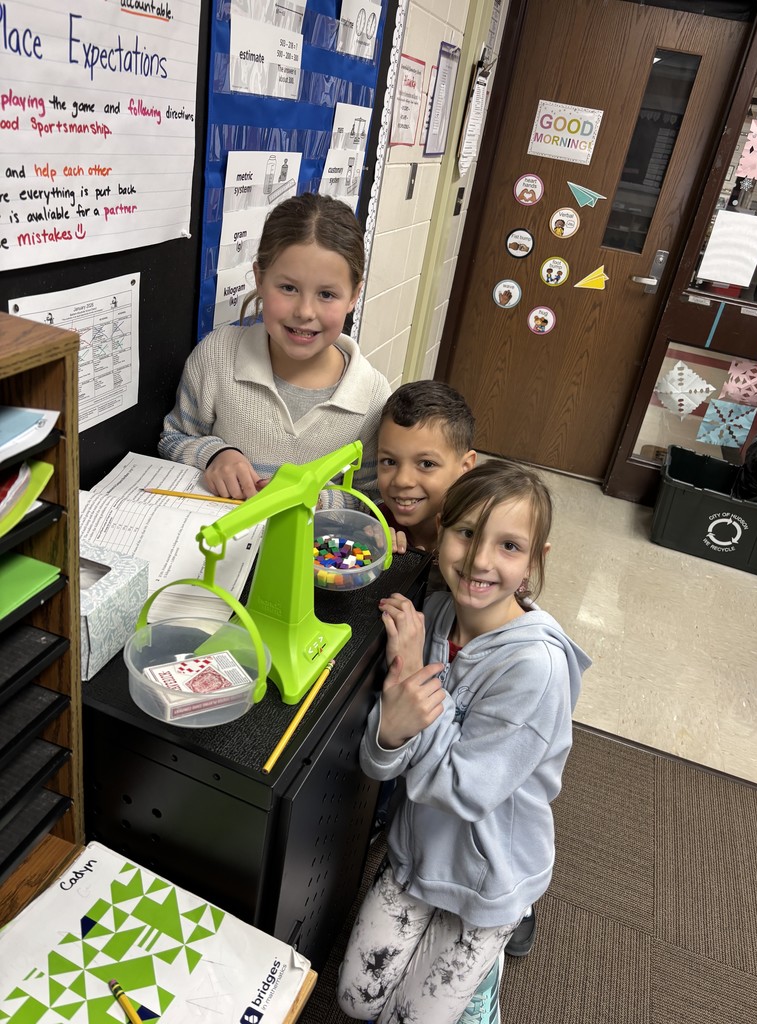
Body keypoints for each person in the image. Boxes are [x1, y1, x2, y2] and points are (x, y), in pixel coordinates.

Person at [337, 460, 590, 1024]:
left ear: (534, 560)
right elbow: (381, 764)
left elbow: (462, 790)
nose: (479, 560)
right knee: (356, 1001)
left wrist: (411, 674)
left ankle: (486, 978)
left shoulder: (536, 668)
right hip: (416, 852)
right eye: (467, 533)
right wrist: (392, 725)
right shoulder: (434, 616)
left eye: (509, 545)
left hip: (487, 878)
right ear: (442, 530)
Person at [159, 192, 390, 505]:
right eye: (288, 288)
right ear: (259, 278)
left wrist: (318, 501)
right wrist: (214, 455)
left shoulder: (372, 398)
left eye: (326, 294)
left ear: (353, 296)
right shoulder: (216, 356)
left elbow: (372, 497)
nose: (305, 311)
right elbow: (173, 437)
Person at [376, 380, 476, 555]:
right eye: (389, 461)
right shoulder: (375, 525)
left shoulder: (480, 536)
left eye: (426, 464)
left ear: (465, 468)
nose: (402, 480)